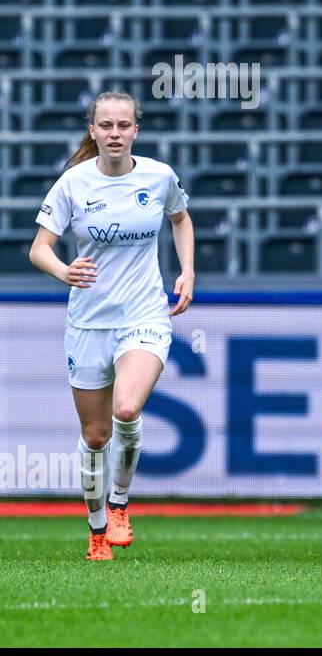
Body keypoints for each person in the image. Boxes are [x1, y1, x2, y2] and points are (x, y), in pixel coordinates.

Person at [28, 91, 194, 561]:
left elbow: (181, 219)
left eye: (124, 125)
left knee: (126, 410)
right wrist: (64, 271)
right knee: (96, 435)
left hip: (143, 316)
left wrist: (187, 270)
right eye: (106, 126)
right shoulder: (73, 184)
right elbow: (40, 247)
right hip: (88, 323)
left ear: (135, 130)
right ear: (93, 131)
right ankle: (97, 528)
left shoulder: (159, 176)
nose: (115, 133)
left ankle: (120, 505)